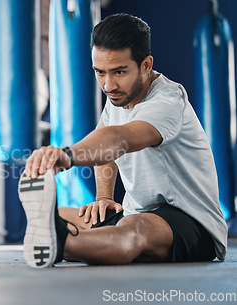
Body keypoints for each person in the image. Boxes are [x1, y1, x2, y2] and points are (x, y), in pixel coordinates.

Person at [18, 14, 227, 268]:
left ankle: (63, 243)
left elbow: (120, 140)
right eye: (100, 72)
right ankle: (75, 238)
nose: (108, 84)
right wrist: (103, 197)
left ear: (146, 65)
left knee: (133, 228)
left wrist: (67, 155)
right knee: (60, 215)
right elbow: (106, 147)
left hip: (191, 222)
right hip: (136, 213)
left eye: (119, 71)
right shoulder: (118, 95)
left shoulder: (167, 102)